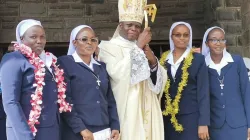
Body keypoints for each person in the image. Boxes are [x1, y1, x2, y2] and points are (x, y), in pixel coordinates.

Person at [98, 0, 167, 139]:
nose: (134, 29)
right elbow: (117, 74)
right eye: (129, 25)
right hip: (128, 108)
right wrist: (138, 48)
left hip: (148, 105)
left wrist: (153, 61)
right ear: (120, 25)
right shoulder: (107, 48)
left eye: (137, 26)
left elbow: (158, 81)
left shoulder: (142, 48)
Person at [0, 19, 71, 140]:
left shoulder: (49, 61)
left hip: (52, 130)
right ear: (22, 39)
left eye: (42, 37)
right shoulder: (13, 59)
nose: (39, 41)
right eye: (33, 37)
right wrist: (25, 137)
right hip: (26, 132)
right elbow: (10, 102)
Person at [58, 25, 120, 140]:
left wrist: (115, 126)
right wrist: (81, 129)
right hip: (79, 132)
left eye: (93, 40)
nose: (89, 43)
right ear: (74, 43)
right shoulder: (65, 63)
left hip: (104, 129)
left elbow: (110, 99)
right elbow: (65, 100)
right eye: (84, 39)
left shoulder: (101, 67)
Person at [159, 22, 210, 140]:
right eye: (178, 35)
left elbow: (203, 92)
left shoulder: (198, 59)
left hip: (191, 119)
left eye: (186, 35)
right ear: (171, 37)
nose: (182, 38)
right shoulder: (163, 60)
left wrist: (203, 123)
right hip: (167, 119)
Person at [201, 26, 250, 140]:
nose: (218, 43)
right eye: (214, 39)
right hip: (215, 126)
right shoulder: (203, 65)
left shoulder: (237, 61)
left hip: (238, 125)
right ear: (207, 43)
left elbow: (247, 93)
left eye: (222, 39)